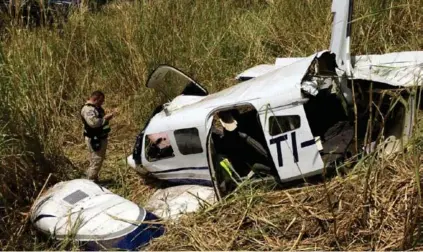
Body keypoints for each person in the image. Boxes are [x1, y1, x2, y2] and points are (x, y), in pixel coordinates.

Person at [80, 90, 116, 182]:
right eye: (101, 101)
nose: (102, 103)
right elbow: (93, 123)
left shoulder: (95, 108)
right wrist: (105, 118)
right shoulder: (88, 109)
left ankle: (93, 179)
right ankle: (90, 181)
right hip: (95, 139)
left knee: (95, 160)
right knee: (96, 161)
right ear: (96, 99)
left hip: (99, 137)